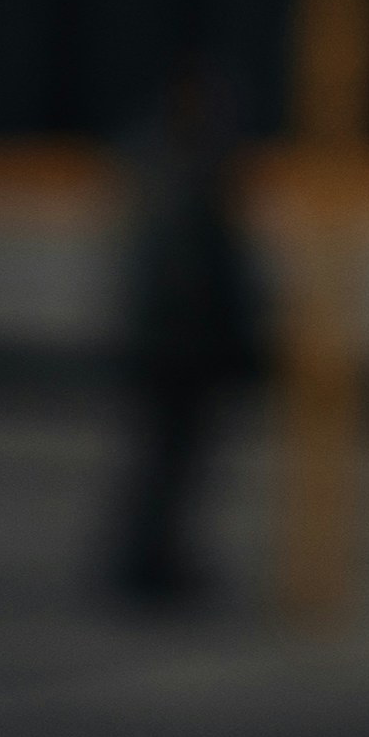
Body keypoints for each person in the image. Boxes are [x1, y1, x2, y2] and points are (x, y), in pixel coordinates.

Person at [98, 45, 262, 613]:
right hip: (177, 341)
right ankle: (148, 562)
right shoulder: (185, 161)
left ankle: (153, 559)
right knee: (170, 459)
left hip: (172, 338)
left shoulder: (172, 156)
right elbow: (190, 265)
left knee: (172, 460)